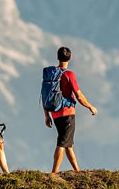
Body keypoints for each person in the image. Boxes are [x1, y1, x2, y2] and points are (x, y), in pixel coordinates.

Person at [41, 46, 98, 174]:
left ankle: (77, 171)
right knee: (62, 143)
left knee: (68, 143)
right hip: (67, 112)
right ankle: (54, 173)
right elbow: (79, 96)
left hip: (54, 113)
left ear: (57, 57)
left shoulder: (51, 74)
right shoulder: (69, 74)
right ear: (70, 58)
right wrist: (90, 106)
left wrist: (46, 115)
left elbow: (45, 96)